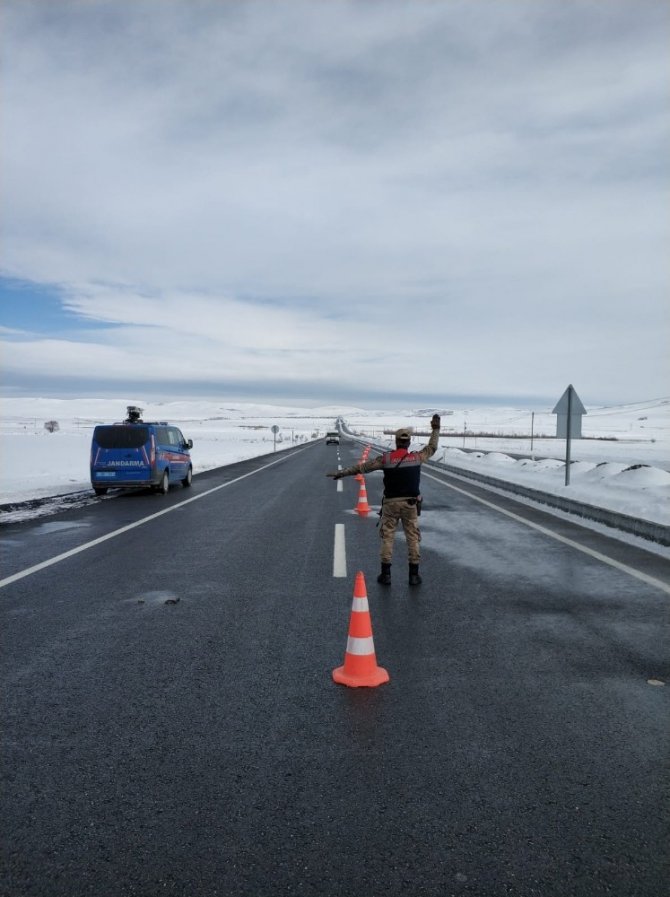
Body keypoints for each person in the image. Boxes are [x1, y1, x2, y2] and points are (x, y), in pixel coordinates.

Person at [326, 414, 440, 585]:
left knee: (388, 537)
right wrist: (435, 430)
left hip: (390, 505)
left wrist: (341, 473)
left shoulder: (386, 459)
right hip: (410, 505)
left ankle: (386, 575)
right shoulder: (417, 458)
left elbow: (362, 467)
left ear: (396, 442)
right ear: (408, 443)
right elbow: (432, 448)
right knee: (413, 538)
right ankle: (414, 576)